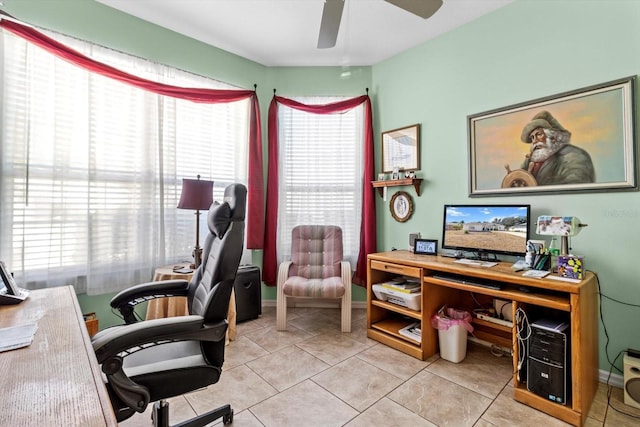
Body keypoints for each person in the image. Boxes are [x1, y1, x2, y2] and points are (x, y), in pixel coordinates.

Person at [520, 110, 595, 185]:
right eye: (532, 137)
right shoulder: (530, 160)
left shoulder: (575, 156)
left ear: (553, 137)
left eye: (539, 134)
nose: (535, 141)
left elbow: (574, 189)